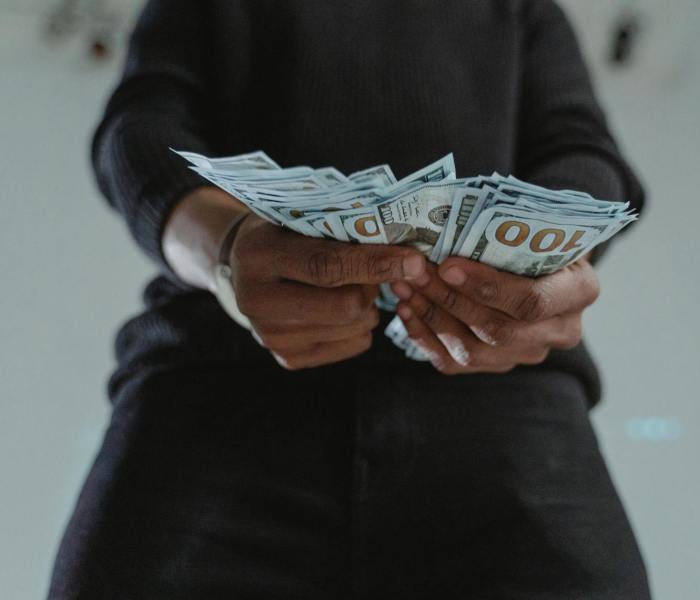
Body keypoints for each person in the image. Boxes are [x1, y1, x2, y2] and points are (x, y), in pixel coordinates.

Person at [48, 0, 651, 598]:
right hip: (213, 395)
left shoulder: (522, 7)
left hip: (508, 408)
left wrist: (549, 271)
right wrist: (226, 252)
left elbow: (584, 152)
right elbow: (140, 131)